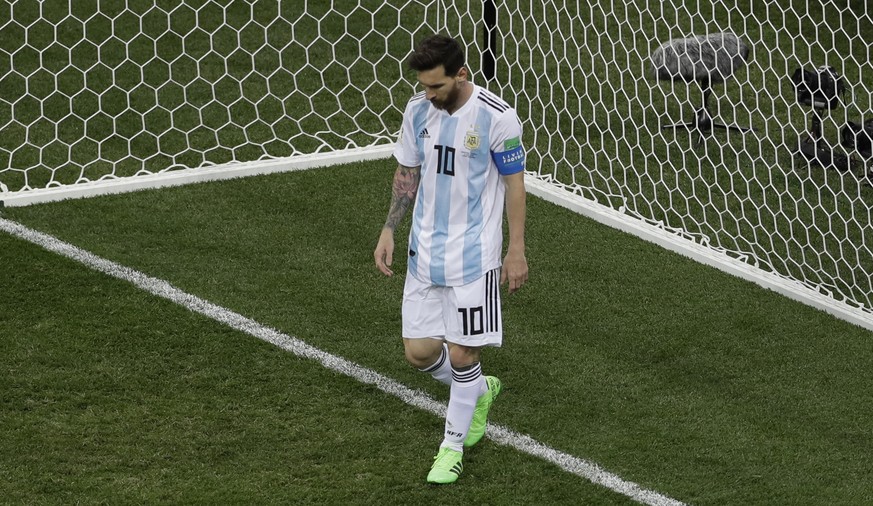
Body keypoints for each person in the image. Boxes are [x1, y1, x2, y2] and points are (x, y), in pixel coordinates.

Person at [373, 34, 528, 484]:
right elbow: (409, 171)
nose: (429, 95)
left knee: (462, 353)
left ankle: (451, 448)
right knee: (419, 354)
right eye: (423, 86)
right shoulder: (418, 109)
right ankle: (481, 390)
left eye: (436, 87)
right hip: (425, 253)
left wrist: (514, 250)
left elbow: (515, 184)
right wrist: (389, 228)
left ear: (461, 74)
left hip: (474, 258)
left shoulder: (497, 118)